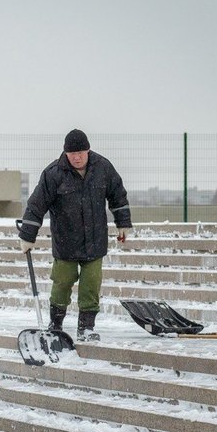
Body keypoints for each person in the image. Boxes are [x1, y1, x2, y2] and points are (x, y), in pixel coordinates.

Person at [17, 129, 132, 341]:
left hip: (94, 242)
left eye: (81, 152)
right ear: (66, 153)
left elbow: (118, 195)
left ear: (88, 150)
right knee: (62, 284)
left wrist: (123, 223)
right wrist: (27, 235)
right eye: (72, 154)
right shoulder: (53, 173)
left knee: (90, 287)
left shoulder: (103, 168)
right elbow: (36, 205)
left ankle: (86, 328)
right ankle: (56, 325)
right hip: (66, 242)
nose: (77, 157)